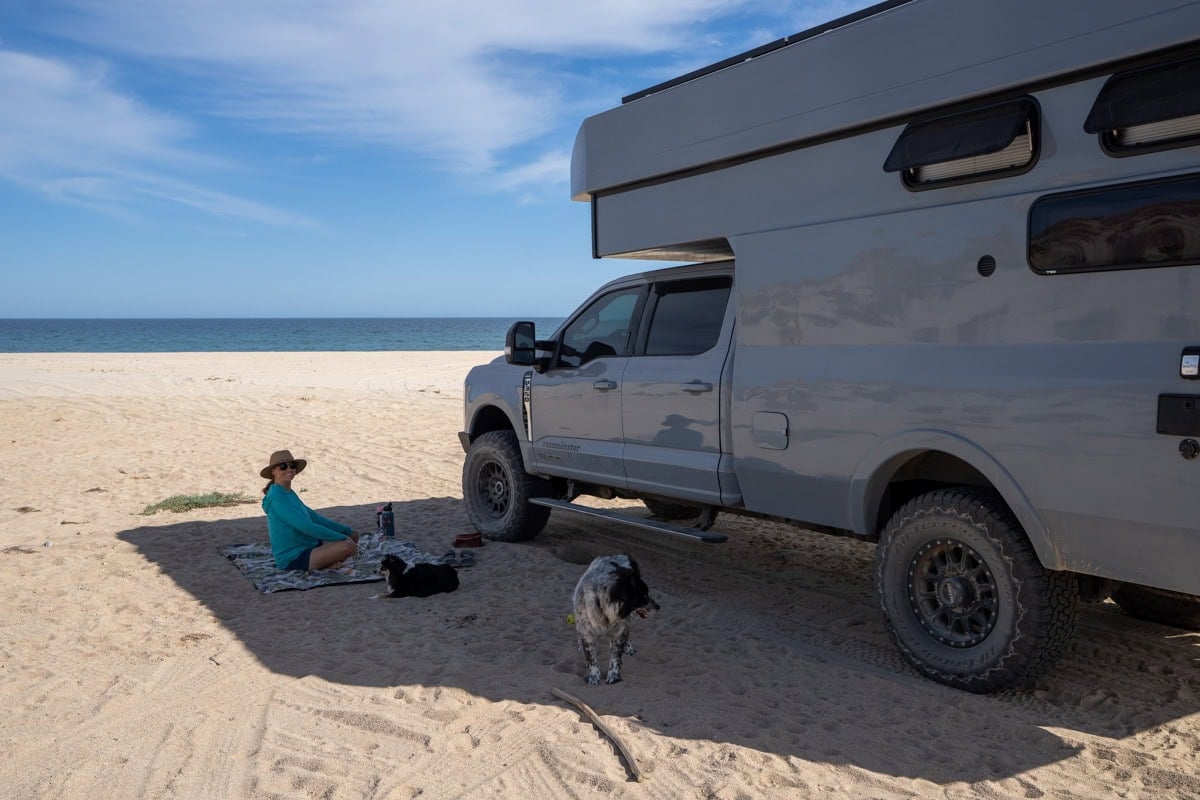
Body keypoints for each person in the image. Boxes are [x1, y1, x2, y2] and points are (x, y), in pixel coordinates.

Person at [260, 449, 359, 571]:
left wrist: (346, 531)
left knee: (349, 541)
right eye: (283, 466)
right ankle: (326, 565)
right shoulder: (277, 497)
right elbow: (306, 526)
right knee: (348, 546)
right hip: (293, 558)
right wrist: (342, 537)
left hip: (307, 547)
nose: (289, 469)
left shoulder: (287, 492)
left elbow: (314, 517)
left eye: (292, 466)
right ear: (273, 471)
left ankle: (327, 564)